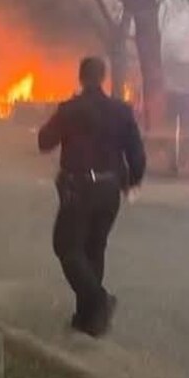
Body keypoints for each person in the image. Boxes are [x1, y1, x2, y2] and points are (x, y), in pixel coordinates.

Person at [38, 56, 146, 338]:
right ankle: (88, 320)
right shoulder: (122, 111)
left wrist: (55, 118)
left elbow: (43, 142)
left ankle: (98, 301)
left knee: (66, 246)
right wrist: (133, 182)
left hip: (79, 188)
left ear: (80, 78)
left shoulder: (70, 110)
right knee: (94, 248)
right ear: (103, 78)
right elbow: (136, 154)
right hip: (110, 190)